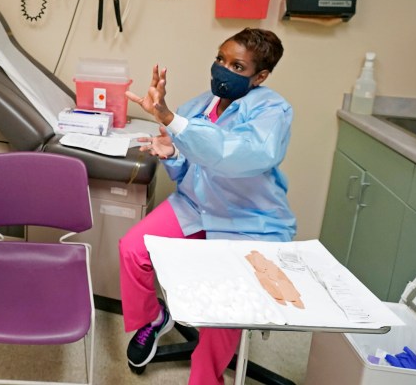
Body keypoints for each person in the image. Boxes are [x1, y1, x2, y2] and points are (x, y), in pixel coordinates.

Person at [120, 28, 295, 384]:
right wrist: (171, 154)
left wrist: (172, 121)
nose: (222, 69)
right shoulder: (198, 106)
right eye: (220, 59)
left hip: (248, 220)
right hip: (194, 206)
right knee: (132, 250)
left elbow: (239, 155)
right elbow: (189, 170)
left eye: (237, 65)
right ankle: (154, 319)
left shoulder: (272, 111)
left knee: (223, 308)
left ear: (260, 76)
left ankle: (205, 377)